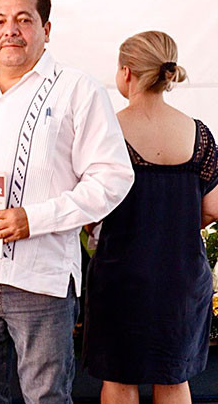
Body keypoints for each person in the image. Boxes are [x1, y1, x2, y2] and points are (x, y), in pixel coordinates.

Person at [0, 0, 134, 403]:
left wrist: (33, 218)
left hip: (39, 280)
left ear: (47, 30)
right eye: (0, 20)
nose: (10, 29)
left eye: (24, 19)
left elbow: (114, 176)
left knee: (47, 398)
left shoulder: (78, 89)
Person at [83, 31, 218, 404]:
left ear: (126, 72)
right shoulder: (199, 134)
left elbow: (87, 204)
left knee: (119, 380)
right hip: (182, 278)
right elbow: (214, 207)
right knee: (174, 379)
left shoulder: (108, 131)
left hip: (121, 276)